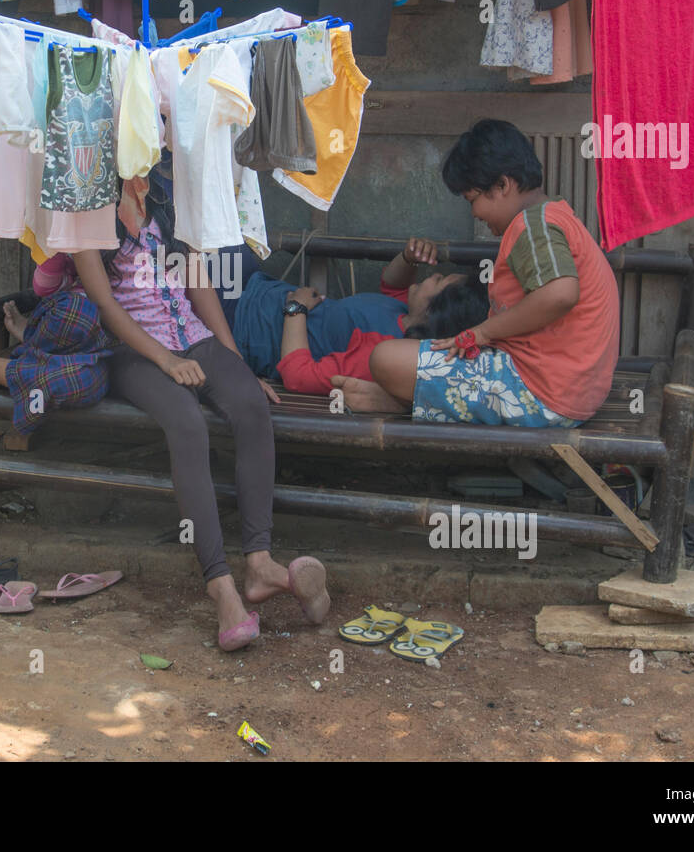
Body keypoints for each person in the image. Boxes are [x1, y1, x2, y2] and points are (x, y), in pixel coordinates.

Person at [70, 180, 331, 652]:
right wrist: (166, 361)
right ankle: (221, 586)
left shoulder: (168, 201)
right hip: (132, 353)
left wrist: (237, 364)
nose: (147, 162)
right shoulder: (87, 214)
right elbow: (107, 308)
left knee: (252, 408)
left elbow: (198, 284)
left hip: (193, 337)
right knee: (186, 423)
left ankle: (260, 563)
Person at [335, 119, 620, 426]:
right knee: (404, 356)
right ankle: (402, 401)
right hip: (567, 392)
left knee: (385, 359)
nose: (474, 214)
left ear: (502, 185)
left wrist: (482, 332)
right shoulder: (555, 216)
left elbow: (560, 294)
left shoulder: (533, 226)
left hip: (542, 394)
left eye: (473, 200)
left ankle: (399, 401)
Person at [277, 264, 488, 395]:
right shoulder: (403, 313)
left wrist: (296, 308)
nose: (435, 274)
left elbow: (298, 376)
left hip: (253, 323)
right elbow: (392, 285)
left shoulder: (383, 351)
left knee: (241, 251)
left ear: (435, 312)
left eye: (440, 280)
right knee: (242, 252)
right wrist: (408, 258)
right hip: (262, 291)